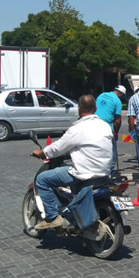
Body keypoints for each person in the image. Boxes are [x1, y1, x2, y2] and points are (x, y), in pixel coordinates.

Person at [29, 95, 113, 230]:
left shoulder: (77, 129)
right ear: (96, 108)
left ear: (79, 109)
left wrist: (42, 152)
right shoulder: (105, 126)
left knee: (42, 179)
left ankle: (52, 217)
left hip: (83, 173)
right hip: (104, 172)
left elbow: (58, 147)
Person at [95, 85, 126, 174]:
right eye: (122, 95)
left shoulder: (101, 95)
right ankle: (110, 173)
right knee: (112, 152)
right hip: (106, 128)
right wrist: (116, 132)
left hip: (94, 125)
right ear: (120, 93)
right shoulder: (117, 101)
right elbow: (118, 120)